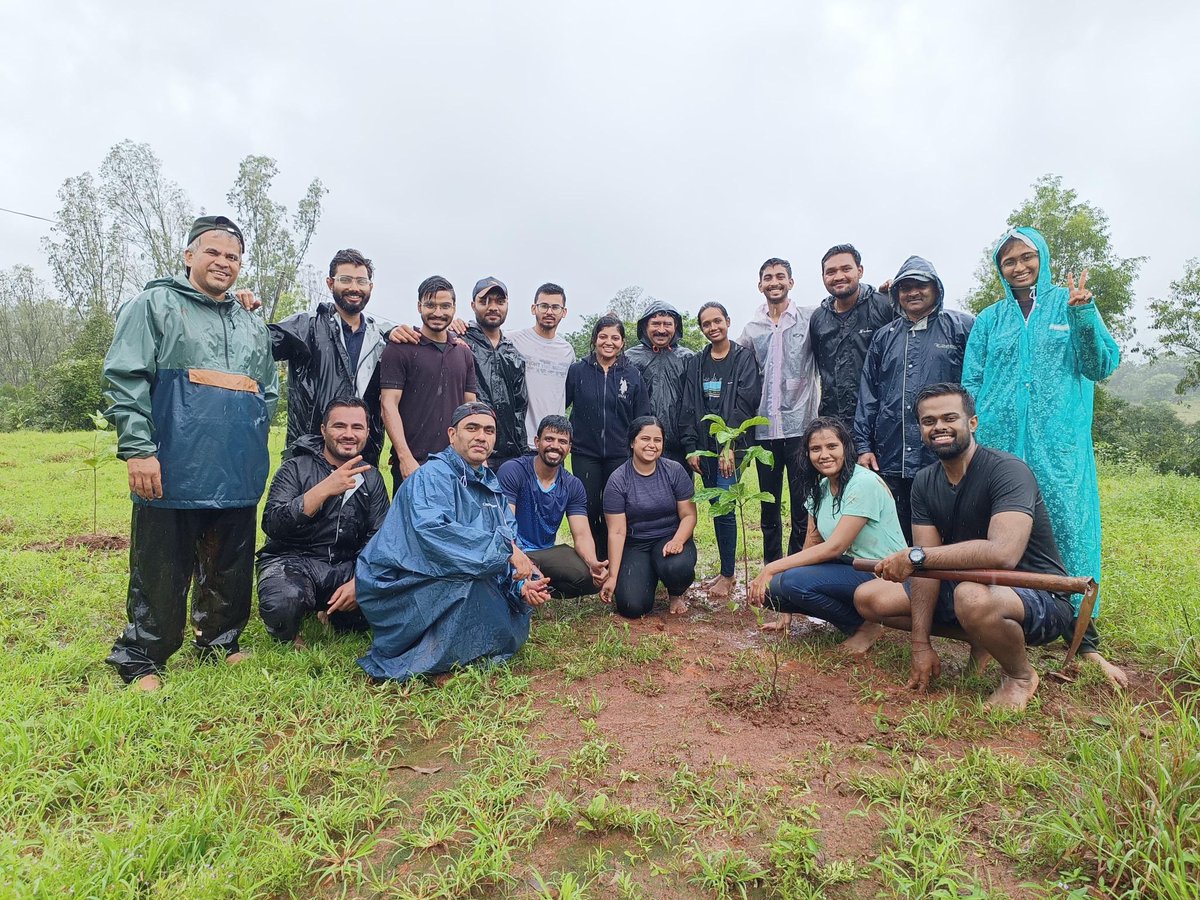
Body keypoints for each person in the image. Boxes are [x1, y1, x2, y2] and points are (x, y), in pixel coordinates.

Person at [102, 215, 278, 691]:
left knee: (230, 563)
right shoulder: (153, 305)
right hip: (172, 466)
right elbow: (125, 378)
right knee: (162, 564)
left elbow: (268, 392)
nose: (223, 262)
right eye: (214, 253)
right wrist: (139, 449)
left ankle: (219, 641)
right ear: (189, 256)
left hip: (237, 468)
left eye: (233, 257)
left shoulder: (251, 324)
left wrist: (251, 438)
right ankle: (142, 655)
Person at [963, 227, 1126, 687]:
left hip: (1059, 449)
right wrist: (976, 427)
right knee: (994, 535)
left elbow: (1101, 364)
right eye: (1009, 261)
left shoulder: (1067, 304)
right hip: (998, 448)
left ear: (1043, 258)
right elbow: (971, 380)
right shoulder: (990, 319)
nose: (1018, 267)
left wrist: (1084, 314)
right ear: (1000, 269)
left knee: (1070, 536)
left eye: (1026, 257)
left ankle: (1084, 642)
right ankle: (987, 640)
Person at [856, 384, 1076, 711]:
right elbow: (926, 572)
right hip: (969, 587)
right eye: (928, 421)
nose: (939, 427)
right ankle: (983, 637)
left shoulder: (1008, 471)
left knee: (970, 597)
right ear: (920, 429)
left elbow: (1003, 553)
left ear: (971, 423)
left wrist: (916, 556)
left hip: (1036, 593)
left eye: (949, 418)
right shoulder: (925, 482)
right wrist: (920, 644)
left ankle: (1020, 675)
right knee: (869, 598)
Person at [355, 403, 548, 682]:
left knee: (500, 592)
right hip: (399, 581)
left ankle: (464, 648)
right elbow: (434, 536)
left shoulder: (491, 488)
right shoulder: (432, 476)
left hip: (443, 572)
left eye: (489, 431)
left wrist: (522, 584)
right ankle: (433, 658)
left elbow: (508, 543)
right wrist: (504, 551)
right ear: (452, 434)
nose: (481, 436)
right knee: (471, 584)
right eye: (472, 428)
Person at [746, 416, 907, 650]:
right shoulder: (821, 488)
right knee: (776, 590)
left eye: (832, 446)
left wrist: (771, 567)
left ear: (846, 448)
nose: (824, 455)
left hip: (881, 571)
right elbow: (812, 541)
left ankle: (865, 627)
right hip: (849, 567)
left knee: (789, 580)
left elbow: (834, 547)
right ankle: (856, 618)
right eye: (815, 449)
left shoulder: (863, 483)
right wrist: (785, 608)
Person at [854, 256, 973, 543]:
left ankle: (949, 586)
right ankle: (904, 585)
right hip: (891, 453)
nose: (913, 292)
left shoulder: (961, 327)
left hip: (944, 451)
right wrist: (863, 445)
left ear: (936, 289)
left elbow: (977, 382)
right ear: (896, 294)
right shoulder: (884, 337)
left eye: (921, 285)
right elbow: (868, 394)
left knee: (950, 524)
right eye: (905, 287)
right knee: (898, 527)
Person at [256, 398, 389, 647]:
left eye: (357, 427)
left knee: (385, 603)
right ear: (323, 430)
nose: (349, 434)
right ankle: (293, 629)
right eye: (339, 426)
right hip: (292, 560)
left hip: (344, 566)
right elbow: (272, 523)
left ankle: (332, 612)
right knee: (282, 604)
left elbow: (379, 537)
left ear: (367, 433)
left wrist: (360, 581)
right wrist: (324, 489)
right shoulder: (294, 468)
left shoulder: (371, 478)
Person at [268, 249, 398, 467]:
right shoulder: (305, 327)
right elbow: (256, 345)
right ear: (330, 283)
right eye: (345, 280)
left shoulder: (382, 340)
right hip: (308, 455)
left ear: (370, 287)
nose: (354, 288)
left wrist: (452, 332)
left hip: (363, 456)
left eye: (361, 281)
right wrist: (242, 310)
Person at [738, 257, 820, 563]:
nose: (774, 282)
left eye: (780, 276)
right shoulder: (752, 329)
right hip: (764, 432)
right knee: (769, 507)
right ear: (760, 285)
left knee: (802, 505)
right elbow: (738, 367)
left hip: (800, 428)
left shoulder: (810, 318)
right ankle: (771, 568)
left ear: (791, 282)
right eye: (768, 278)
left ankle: (793, 568)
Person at [679, 302, 762, 599]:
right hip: (706, 450)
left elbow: (746, 402)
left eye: (717, 321)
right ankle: (726, 569)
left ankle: (729, 576)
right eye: (706, 324)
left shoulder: (743, 359)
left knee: (726, 508)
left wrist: (730, 444)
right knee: (716, 507)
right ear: (701, 328)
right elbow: (688, 406)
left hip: (732, 449)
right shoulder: (696, 363)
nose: (713, 327)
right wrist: (691, 448)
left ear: (728, 321)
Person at [379, 276, 477, 486]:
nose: (438, 313)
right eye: (430, 305)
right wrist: (405, 457)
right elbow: (388, 404)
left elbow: (471, 410)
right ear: (419, 306)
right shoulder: (400, 348)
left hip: (455, 465)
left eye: (445, 306)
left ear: (454, 308)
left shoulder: (464, 353)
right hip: (413, 464)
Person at [566, 315, 650, 559]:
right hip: (585, 452)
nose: (608, 342)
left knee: (616, 508)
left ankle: (618, 559)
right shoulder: (578, 371)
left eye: (615, 337)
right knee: (589, 507)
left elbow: (642, 417)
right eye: (603, 336)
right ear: (594, 340)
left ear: (623, 342)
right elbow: (562, 404)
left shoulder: (632, 375)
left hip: (619, 455)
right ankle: (594, 561)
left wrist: (638, 448)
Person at [498, 415, 607, 598]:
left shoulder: (572, 485)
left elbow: (581, 535)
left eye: (562, 441)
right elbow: (504, 527)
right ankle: (528, 582)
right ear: (537, 441)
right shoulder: (513, 470)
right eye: (549, 439)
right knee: (505, 571)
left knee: (592, 580)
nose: (555, 445)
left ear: (569, 448)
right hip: (511, 549)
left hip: (544, 553)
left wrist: (592, 563)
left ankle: (540, 583)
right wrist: (520, 558)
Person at [601, 417, 698, 618]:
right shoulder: (618, 480)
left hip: (670, 539)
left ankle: (676, 592)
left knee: (676, 568)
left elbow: (689, 515)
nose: (651, 445)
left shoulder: (675, 471)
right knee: (631, 606)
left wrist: (678, 541)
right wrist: (612, 576)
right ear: (632, 442)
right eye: (645, 439)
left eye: (657, 440)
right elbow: (617, 532)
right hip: (636, 544)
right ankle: (648, 574)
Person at [808, 244, 895, 429]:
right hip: (834, 420)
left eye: (846, 269)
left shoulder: (884, 306)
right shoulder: (818, 318)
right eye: (830, 272)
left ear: (860, 271)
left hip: (881, 416)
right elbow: (819, 365)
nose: (839, 276)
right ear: (823, 277)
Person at [460, 276, 529, 470]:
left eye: (500, 301)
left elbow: (519, 410)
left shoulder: (513, 354)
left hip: (509, 455)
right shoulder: (460, 343)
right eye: (485, 301)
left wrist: (522, 454)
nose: (493, 307)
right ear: (473, 305)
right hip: (470, 451)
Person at [625, 298, 696, 469]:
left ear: (676, 327)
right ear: (645, 327)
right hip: (641, 442)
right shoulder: (629, 358)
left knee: (679, 491)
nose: (661, 330)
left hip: (679, 444)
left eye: (667, 324)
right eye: (655, 324)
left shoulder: (688, 358)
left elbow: (694, 401)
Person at [509, 283, 577, 449]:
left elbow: (566, 394)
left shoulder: (567, 351)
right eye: (544, 306)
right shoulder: (512, 340)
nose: (549, 312)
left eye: (555, 307)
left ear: (564, 312)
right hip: (520, 440)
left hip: (554, 443)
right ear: (534, 308)